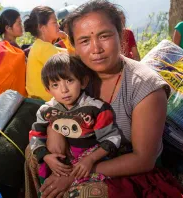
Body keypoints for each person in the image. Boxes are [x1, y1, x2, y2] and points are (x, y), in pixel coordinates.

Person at [25, 1, 183, 197]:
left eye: (104, 36)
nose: (96, 49)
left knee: (84, 193)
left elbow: (143, 160)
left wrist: (75, 175)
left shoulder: (145, 86)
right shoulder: (77, 75)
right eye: (84, 41)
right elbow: (55, 109)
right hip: (81, 153)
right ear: (74, 46)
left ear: (121, 35)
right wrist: (53, 133)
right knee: (33, 155)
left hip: (125, 167)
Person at [29, 53, 121, 185]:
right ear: (48, 90)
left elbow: (112, 138)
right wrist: (46, 156)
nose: (64, 90)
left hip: (93, 157)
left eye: (69, 81)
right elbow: (35, 136)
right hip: (67, 154)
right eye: (55, 85)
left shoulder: (96, 108)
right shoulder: (46, 111)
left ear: (83, 82)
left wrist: (90, 159)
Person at [24, 6, 75, 101]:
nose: (58, 26)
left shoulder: (42, 46)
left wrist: (65, 38)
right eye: (54, 22)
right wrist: (66, 38)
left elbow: (74, 55)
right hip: (43, 104)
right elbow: (74, 65)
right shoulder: (43, 48)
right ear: (42, 27)